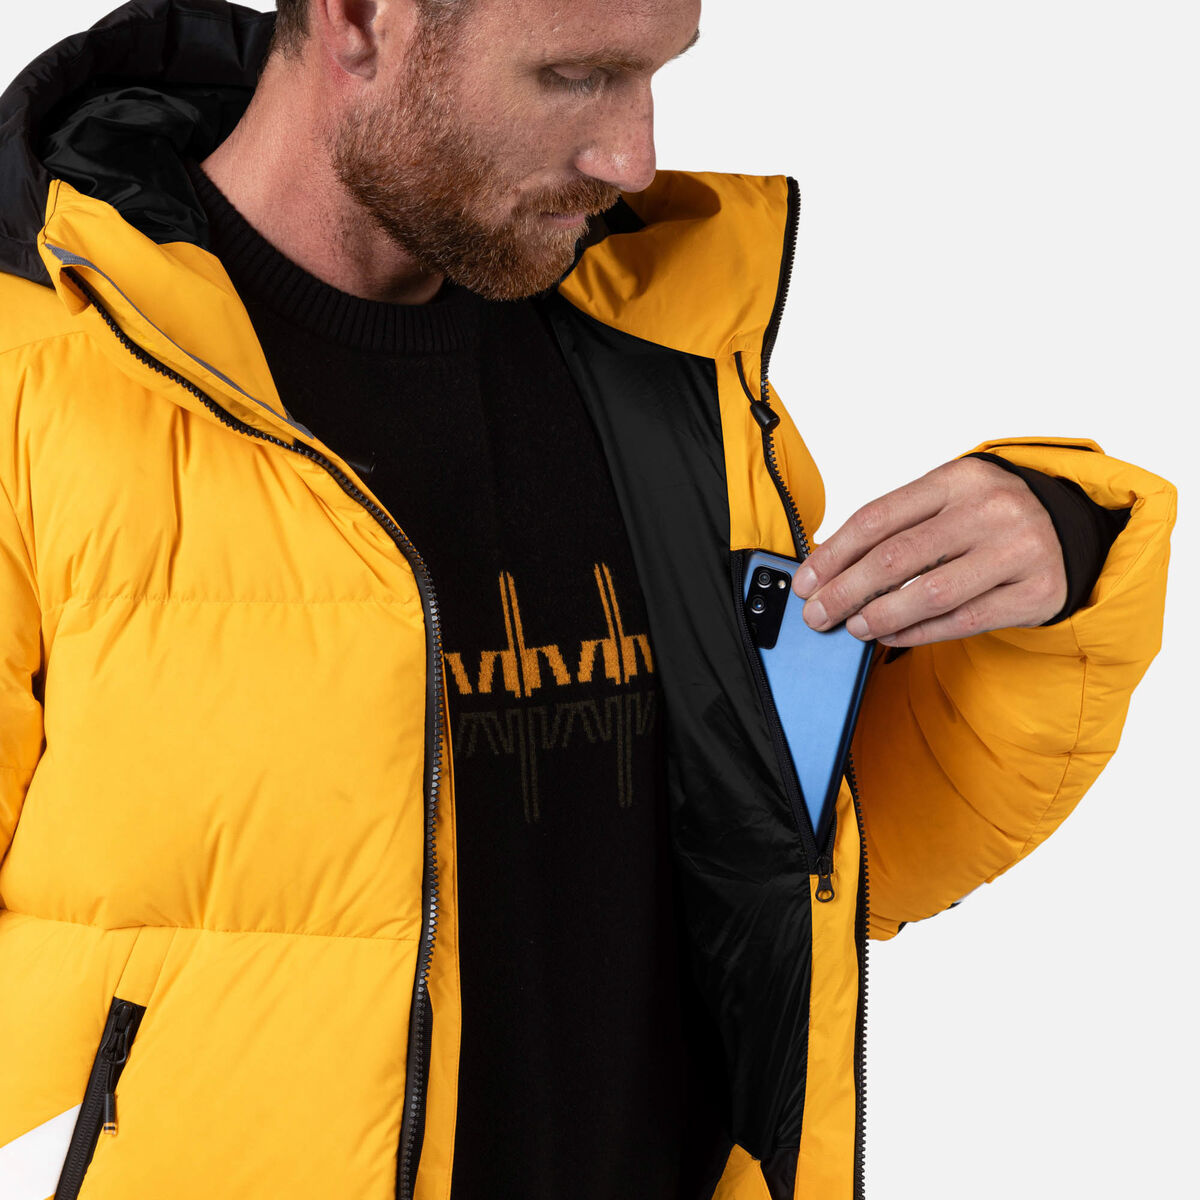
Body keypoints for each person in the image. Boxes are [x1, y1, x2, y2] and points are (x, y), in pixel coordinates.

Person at [0, 1, 1174, 1198]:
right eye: (576, 76)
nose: (635, 157)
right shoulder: (37, 385)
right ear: (361, 20)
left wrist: (1058, 563)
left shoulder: (661, 361)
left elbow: (835, 866)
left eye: (657, 74)